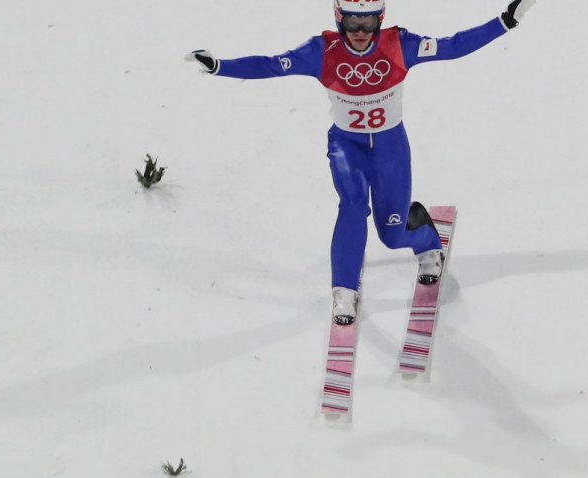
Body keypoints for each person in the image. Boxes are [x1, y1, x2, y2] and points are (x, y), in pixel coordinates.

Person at [186, 0, 537, 325]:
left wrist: (505, 22)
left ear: (378, 18)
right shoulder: (321, 51)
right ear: (339, 18)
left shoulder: (399, 45)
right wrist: (220, 67)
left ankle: (427, 240)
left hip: (390, 149)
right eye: (353, 21)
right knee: (352, 203)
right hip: (347, 146)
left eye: (367, 21)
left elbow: (454, 45)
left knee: (392, 234)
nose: (359, 31)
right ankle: (344, 291)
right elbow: (270, 64)